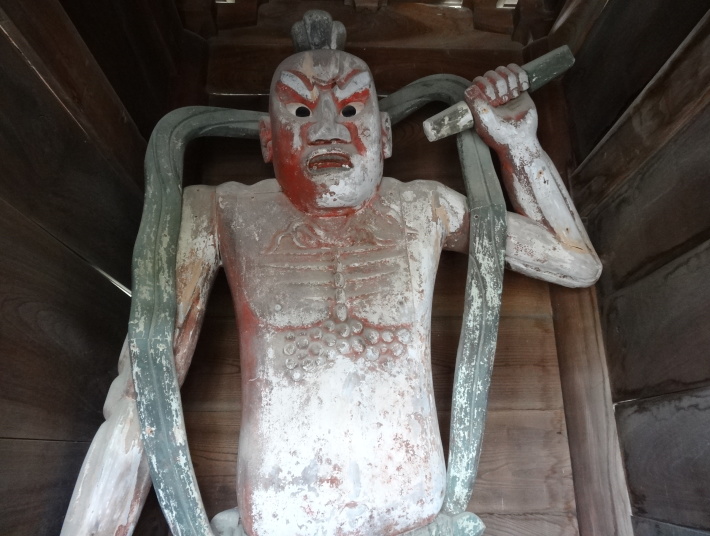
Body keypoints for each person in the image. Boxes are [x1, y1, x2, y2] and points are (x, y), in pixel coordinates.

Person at [61, 46, 600, 536]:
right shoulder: (223, 213)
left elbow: (576, 262)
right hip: (280, 517)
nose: (326, 130)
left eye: (349, 109)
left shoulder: (425, 208)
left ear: (385, 134)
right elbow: (143, 391)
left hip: (415, 513)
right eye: (300, 111)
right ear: (267, 140)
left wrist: (518, 143)